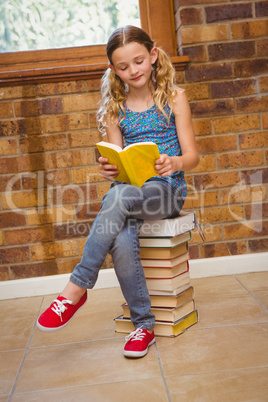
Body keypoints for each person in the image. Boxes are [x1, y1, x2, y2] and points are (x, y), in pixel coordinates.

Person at [37, 25, 199, 358]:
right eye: (123, 67)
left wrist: (175, 162)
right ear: (114, 70)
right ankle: (144, 325)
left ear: (153, 56)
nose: (133, 71)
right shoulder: (116, 107)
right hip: (128, 190)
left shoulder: (173, 97)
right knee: (121, 233)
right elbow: (116, 157)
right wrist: (109, 167)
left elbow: (193, 156)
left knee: (118, 197)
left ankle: (77, 288)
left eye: (139, 61)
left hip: (166, 190)